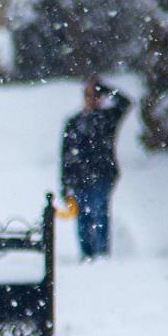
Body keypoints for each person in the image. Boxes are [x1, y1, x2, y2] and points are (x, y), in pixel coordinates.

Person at [59, 76, 133, 259]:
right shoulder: (74, 122)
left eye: (95, 95)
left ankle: (101, 255)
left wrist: (105, 89)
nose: (91, 99)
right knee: (83, 219)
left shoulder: (107, 118)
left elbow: (125, 103)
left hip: (101, 175)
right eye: (88, 95)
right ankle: (87, 255)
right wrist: (65, 184)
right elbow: (66, 154)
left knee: (99, 215)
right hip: (78, 179)